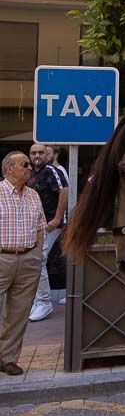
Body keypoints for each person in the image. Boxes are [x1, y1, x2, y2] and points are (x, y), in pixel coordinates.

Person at [0, 152, 46, 375]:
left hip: (28, 259)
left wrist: (36, 255)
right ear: (10, 169)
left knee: (18, 314)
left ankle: (7, 359)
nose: (30, 167)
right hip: (2, 257)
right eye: (24, 164)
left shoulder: (33, 195)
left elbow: (40, 227)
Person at [27, 142, 68, 322]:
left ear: (47, 154)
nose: (37, 156)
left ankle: (44, 302)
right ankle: (39, 300)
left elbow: (64, 191)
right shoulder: (32, 174)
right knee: (36, 260)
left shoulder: (52, 170)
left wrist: (57, 218)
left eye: (40, 153)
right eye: (33, 153)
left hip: (51, 224)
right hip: (37, 226)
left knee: (39, 260)